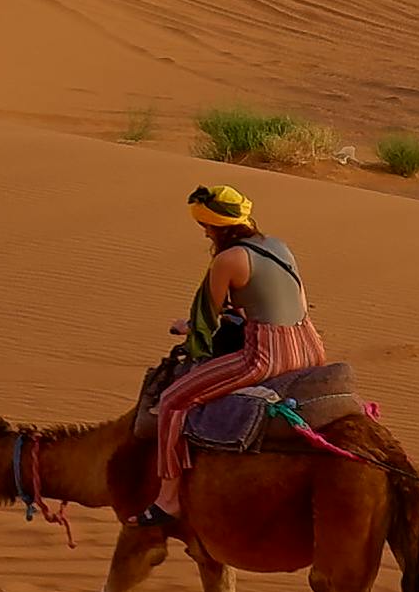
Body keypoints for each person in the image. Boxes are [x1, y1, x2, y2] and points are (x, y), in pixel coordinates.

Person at [132, 181, 330, 523]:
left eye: (206, 226)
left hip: (268, 355)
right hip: (311, 346)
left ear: (217, 227)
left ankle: (168, 499)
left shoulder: (228, 259)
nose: (205, 233)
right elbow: (286, 301)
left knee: (172, 402)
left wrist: (187, 327)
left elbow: (207, 319)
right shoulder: (278, 246)